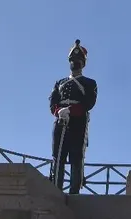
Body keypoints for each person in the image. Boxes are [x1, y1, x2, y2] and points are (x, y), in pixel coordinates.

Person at [48, 39, 97, 194]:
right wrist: (59, 112)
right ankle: (56, 189)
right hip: (61, 121)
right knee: (58, 156)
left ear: (83, 63)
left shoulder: (90, 83)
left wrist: (71, 110)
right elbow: (53, 102)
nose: (75, 63)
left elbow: (89, 102)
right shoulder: (59, 83)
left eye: (78, 60)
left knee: (76, 157)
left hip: (78, 123)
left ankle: (74, 191)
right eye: (73, 60)